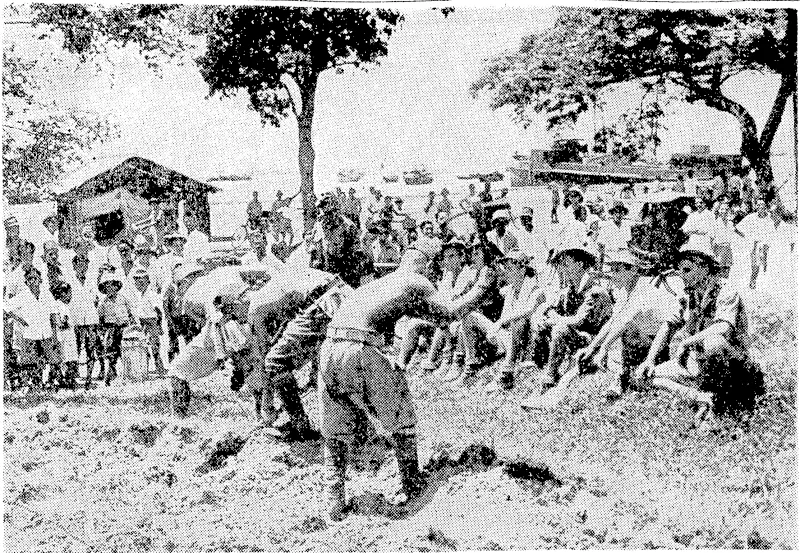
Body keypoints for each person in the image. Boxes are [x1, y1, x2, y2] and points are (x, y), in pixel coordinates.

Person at [319, 241, 485, 521]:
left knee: (335, 432)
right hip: (361, 348)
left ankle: (334, 501)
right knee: (402, 419)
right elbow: (447, 314)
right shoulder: (416, 281)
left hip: (330, 349)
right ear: (428, 265)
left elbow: (427, 318)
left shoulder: (380, 284)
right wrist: (483, 287)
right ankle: (412, 484)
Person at [634, 236, 757, 429]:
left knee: (714, 342)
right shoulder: (689, 296)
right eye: (680, 270)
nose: (681, 275)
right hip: (698, 362)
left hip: (734, 366)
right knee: (644, 377)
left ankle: (719, 409)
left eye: (687, 270)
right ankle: (702, 398)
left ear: (705, 267)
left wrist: (686, 342)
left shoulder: (726, 291)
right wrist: (649, 359)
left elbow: (724, 327)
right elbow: (668, 325)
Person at [247, 268, 351, 437]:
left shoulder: (255, 309)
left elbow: (266, 361)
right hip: (343, 295)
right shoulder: (278, 286)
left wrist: (267, 408)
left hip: (322, 304)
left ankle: (300, 425)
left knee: (275, 363)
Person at [574, 248, 683, 400]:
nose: (613, 275)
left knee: (629, 329)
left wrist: (604, 348)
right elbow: (613, 321)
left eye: (617, 270)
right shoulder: (625, 291)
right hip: (638, 346)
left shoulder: (644, 289)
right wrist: (592, 347)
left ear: (633, 270)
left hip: (655, 347)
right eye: (612, 270)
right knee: (624, 333)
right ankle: (626, 376)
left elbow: (625, 322)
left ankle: (623, 376)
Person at [522, 235, 613, 404]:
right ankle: (542, 366)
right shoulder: (568, 290)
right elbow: (548, 309)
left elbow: (577, 321)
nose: (562, 267)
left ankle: (549, 379)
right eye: (561, 263)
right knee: (548, 325)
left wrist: (553, 319)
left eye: (566, 262)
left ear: (580, 264)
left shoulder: (595, 290)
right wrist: (544, 316)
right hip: (578, 339)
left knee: (560, 328)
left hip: (595, 344)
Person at [462, 249, 545, 391]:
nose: (506, 272)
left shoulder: (536, 290)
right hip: (509, 339)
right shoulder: (509, 291)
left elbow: (527, 311)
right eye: (505, 268)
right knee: (469, 317)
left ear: (522, 269)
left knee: (518, 320)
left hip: (527, 345)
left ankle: (506, 374)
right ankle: (471, 364)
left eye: (509, 268)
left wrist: (499, 323)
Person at [6, 265, 61, 390]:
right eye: (30, 279)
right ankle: (35, 383)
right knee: (31, 361)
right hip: (30, 334)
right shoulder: (23, 295)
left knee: (50, 359)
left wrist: (55, 335)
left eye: (35, 278)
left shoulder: (46, 294)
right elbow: (6, 307)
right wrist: (19, 319)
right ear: (26, 282)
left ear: (40, 280)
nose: (33, 281)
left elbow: (53, 313)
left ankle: (49, 383)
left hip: (46, 333)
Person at [309, 194, 362, 287]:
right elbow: (316, 243)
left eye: (328, 212)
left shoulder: (346, 224)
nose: (324, 215)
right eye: (322, 210)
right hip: (329, 263)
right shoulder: (320, 224)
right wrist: (318, 259)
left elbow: (356, 244)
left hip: (346, 263)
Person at [97, 271, 137, 386]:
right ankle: (110, 374)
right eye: (107, 285)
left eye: (112, 285)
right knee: (111, 352)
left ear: (116, 286)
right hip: (110, 328)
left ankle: (129, 376)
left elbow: (130, 314)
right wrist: (102, 331)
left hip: (124, 328)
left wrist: (133, 325)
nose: (110, 288)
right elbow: (100, 318)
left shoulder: (123, 299)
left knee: (126, 351)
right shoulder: (103, 302)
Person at [70, 254, 101, 389]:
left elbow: (96, 298)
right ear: (74, 266)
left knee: (90, 349)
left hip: (90, 320)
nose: (83, 267)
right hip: (75, 321)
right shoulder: (70, 281)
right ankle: (73, 378)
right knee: (74, 349)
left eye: (85, 264)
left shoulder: (92, 280)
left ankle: (89, 378)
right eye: (80, 264)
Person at [129, 266, 165, 375]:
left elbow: (158, 311)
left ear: (147, 282)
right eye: (137, 283)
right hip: (142, 323)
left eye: (142, 282)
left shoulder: (151, 294)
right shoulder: (139, 295)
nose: (139, 285)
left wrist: (158, 326)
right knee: (142, 346)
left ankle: (160, 369)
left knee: (154, 346)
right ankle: (144, 370)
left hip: (152, 322)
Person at [51, 282, 80, 390]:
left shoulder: (67, 305)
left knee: (71, 357)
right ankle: (62, 380)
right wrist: (63, 323)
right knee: (63, 358)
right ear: (62, 293)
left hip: (70, 335)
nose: (70, 295)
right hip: (61, 336)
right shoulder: (57, 304)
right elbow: (56, 321)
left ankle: (70, 379)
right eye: (68, 293)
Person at [597, 201, 632, 265]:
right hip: (610, 257)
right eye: (616, 212)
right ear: (613, 213)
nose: (619, 215)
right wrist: (600, 265)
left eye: (621, 212)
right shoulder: (606, 226)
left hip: (624, 257)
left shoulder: (626, 225)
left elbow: (629, 244)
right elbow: (600, 246)